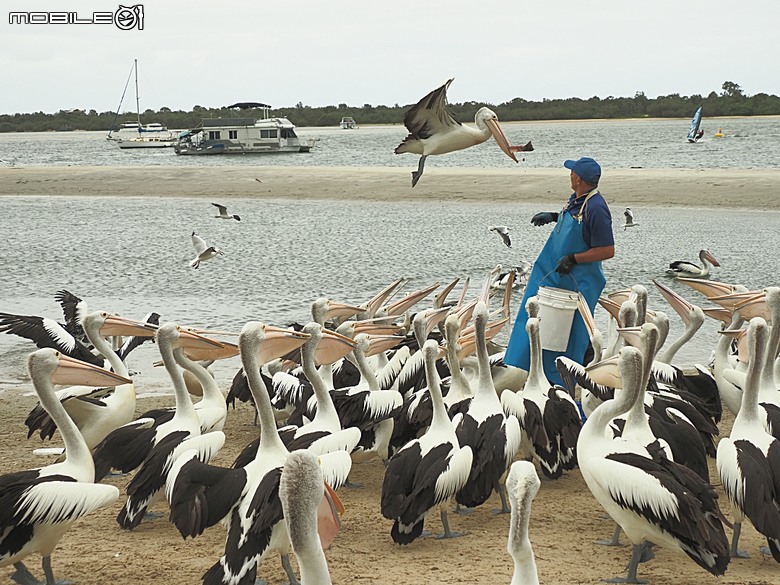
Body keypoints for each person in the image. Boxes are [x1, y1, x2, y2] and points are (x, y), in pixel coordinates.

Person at [504, 157, 615, 386]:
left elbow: (607, 250)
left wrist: (575, 258)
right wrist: (554, 217)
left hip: (575, 283)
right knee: (533, 321)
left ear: (579, 179)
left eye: (572, 172)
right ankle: (527, 371)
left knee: (567, 334)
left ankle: (563, 382)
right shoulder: (577, 199)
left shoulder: (596, 208)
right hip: (550, 275)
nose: (570, 175)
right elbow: (576, 224)